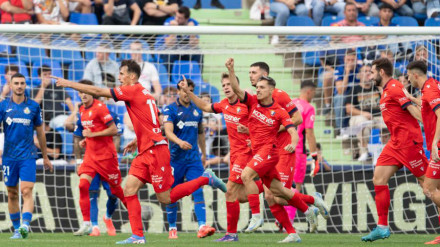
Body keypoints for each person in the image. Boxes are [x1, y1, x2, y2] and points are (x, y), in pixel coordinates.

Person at [53, 59, 227, 244]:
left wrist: (68, 83)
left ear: (132, 76)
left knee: (166, 198)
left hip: (156, 151)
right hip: (145, 150)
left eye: (121, 74)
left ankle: (206, 178)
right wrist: (138, 140)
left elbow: (98, 92)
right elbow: (154, 122)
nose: (119, 77)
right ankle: (138, 236)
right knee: (129, 188)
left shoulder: (132, 90)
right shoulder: (146, 94)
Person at [226, 58, 324, 243]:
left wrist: (293, 143)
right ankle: (307, 210)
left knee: (247, 176)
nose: (256, 86)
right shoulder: (253, 102)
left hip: (272, 152)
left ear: (269, 87)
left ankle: (256, 216)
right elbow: (238, 91)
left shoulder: (279, 109)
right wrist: (231, 70)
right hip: (260, 151)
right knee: (277, 194)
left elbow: (294, 128)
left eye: (255, 76)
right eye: (251, 77)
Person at [180, 72, 260, 242]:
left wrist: (251, 134)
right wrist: (189, 92)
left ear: (236, 86)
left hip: (246, 153)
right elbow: (206, 107)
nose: (226, 87)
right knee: (239, 197)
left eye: (229, 84)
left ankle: (231, 234)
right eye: (223, 85)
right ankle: (264, 186)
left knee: (229, 190)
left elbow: (262, 124)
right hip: (234, 155)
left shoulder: (247, 103)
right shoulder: (224, 104)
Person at [361, 58, 427, 242]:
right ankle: (382, 226)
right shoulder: (385, 91)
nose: (370, 75)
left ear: (381, 72)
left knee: (429, 186)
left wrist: (430, 127)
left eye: (372, 72)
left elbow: (413, 110)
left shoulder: (395, 87)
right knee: (378, 178)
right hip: (395, 144)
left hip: (409, 143)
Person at [67, 79, 127, 236]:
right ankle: (90, 224)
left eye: (86, 91)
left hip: (107, 159)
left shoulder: (103, 109)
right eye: (80, 92)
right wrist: (86, 141)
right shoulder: (81, 110)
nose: (83, 94)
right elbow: (82, 132)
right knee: (84, 187)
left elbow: (114, 132)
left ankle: (110, 217)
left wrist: (92, 136)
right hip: (91, 158)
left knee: (114, 194)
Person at [1, 73, 53, 239]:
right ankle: (17, 229)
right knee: (12, 193)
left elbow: (41, 133)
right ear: (11, 85)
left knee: (27, 190)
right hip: (9, 156)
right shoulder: (3, 106)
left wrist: (45, 156)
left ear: (25, 85)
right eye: (16, 83)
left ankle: (25, 225)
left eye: (22, 83)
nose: (19, 86)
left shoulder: (33, 107)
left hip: (28, 156)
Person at [163, 78, 216, 239]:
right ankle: (172, 228)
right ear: (178, 91)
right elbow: (168, 132)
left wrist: (204, 155)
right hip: (175, 159)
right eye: (183, 90)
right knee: (172, 194)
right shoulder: (170, 109)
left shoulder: (197, 110)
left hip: (193, 160)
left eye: (189, 90)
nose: (186, 93)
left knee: (198, 190)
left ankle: (202, 226)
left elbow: (200, 133)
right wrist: (179, 142)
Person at [405, 60, 440, 245]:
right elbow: (427, 105)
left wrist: (435, 142)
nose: (407, 77)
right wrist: (411, 99)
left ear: (415, 75)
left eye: (408, 74)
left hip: (439, 146)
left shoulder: (430, 89)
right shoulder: (430, 87)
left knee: (428, 188)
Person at [345, 64, 384, 162]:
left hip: (378, 118)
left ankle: (386, 152)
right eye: (364, 71)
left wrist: (378, 84)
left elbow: (386, 98)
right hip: (361, 118)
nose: (367, 73)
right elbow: (349, 109)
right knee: (362, 123)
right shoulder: (354, 89)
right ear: (359, 75)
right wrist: (363, 113)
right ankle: (364, 152)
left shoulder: (376, 88)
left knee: (389, 123)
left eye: (369, 71)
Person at [32, 65, 74, 130]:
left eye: (49, 74)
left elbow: (68, 101)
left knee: (77, 122)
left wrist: (74, 114)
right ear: (39, 77)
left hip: (62, 116)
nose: (48, 76)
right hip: (49, 120)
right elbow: (35, 105)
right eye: (45, 74)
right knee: (70, 124)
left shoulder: (57, 87)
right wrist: (43, 87)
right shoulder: (35, 90)